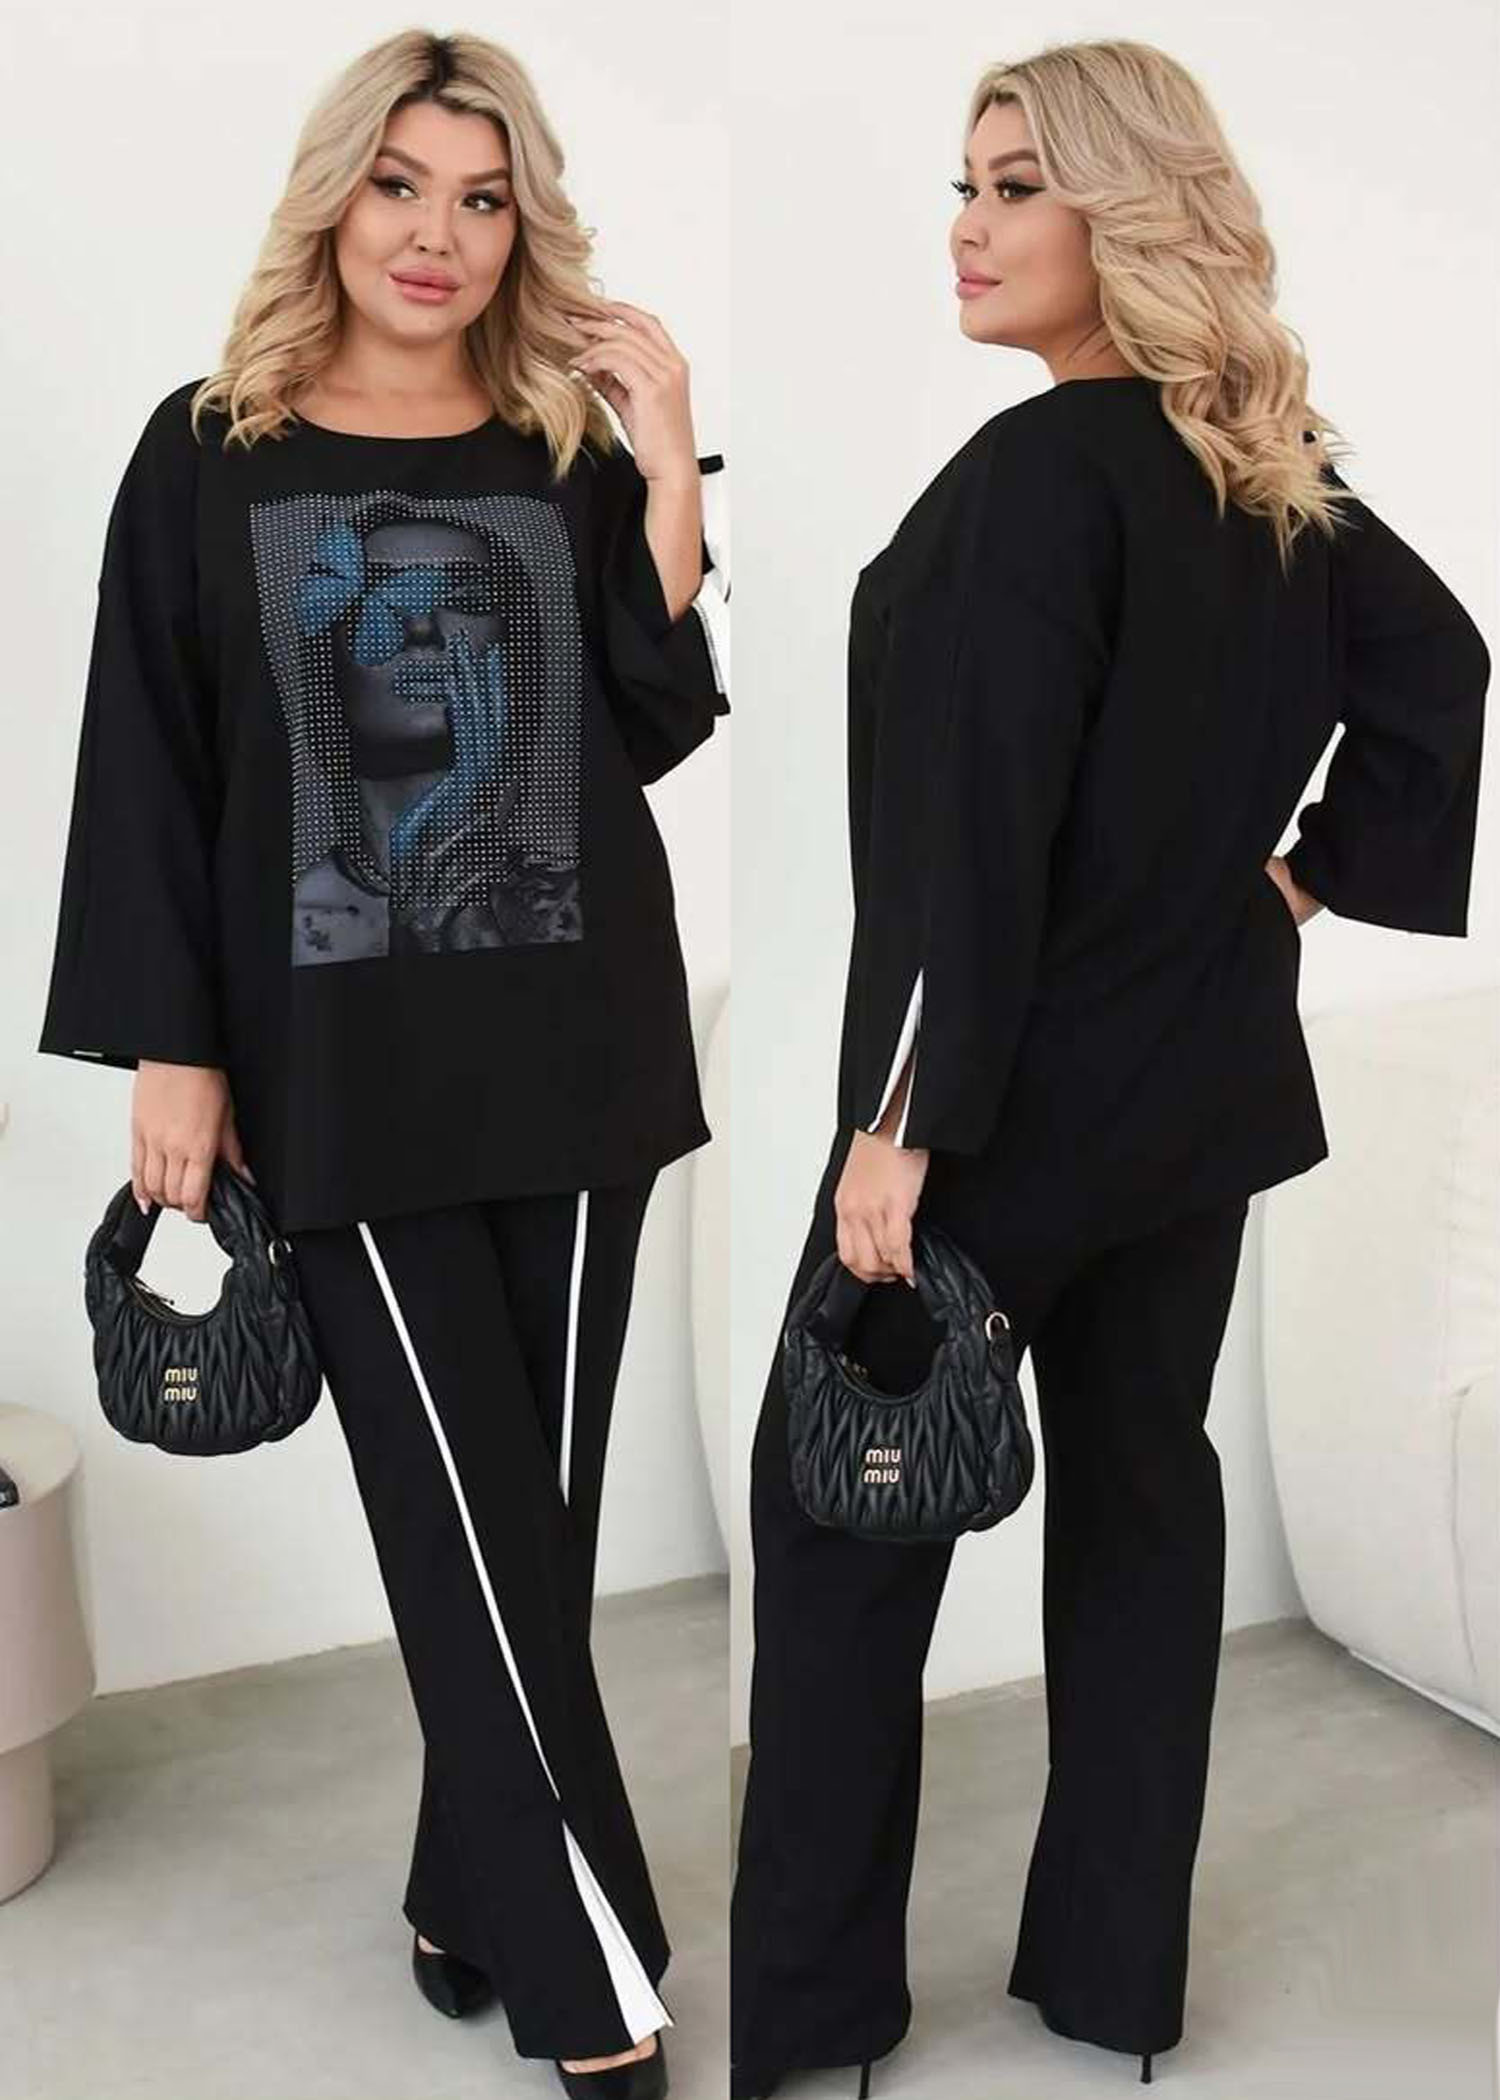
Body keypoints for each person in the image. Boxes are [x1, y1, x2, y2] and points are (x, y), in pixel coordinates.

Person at [729, 38, 1487, 2100]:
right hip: (1196, 1108)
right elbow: (1444, 666)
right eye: (963, 186)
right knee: (1144, 1508)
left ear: (1125, 213)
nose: (967, 229)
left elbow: (965, 838)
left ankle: (818, 2022)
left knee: (837, 1528)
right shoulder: (1269, 471)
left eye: (1014, 188)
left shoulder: (1039, 478)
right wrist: (1296, 887)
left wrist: (900, 1126)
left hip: (1006, 1116)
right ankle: (1113, 1994)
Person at [38, 29, 729, 2096]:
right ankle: (595, 1978)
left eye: (483, 198)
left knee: (531, 1527)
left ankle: (464, 1886)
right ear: (336, 196)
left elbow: (651, 714)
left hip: (580, 1047)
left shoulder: (555, 442)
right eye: (404, 186)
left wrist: (668, 454)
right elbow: (149, 762)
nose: (440, 235)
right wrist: (173, 1051)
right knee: (458, 1523)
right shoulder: (210, 450)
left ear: (523, 227)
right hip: (340, 1066)